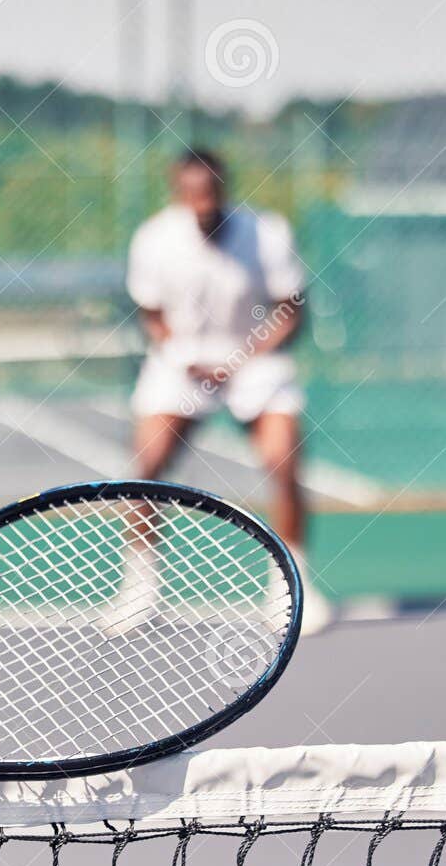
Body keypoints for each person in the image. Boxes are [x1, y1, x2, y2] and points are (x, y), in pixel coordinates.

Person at [125, 148, 330, 635]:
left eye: (210, 193)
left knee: (284, 459)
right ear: (178, 192)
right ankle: (139, 588)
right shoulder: (153, 238)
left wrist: (246, 356)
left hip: (254, 361)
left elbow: (291, 309)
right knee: (147, 467)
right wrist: (183, 357)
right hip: (181, 362)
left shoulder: (269, 233)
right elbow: (151, 314)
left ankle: (292, 586)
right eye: (191, 193)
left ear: (225, 190)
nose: (201, 204)